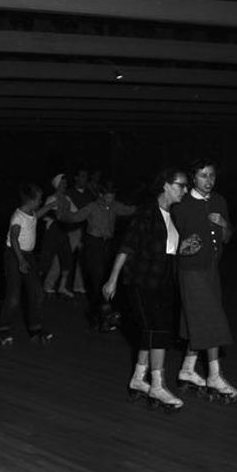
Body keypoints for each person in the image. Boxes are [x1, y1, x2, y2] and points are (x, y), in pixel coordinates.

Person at [102, 168, 189, 410]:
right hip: (142, 282)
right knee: (157, 331)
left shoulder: (171, 216)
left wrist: (185, 249)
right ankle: (158, 386)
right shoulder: (147, 212)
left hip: (162, 284)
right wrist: (112, 279)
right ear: (166, 186)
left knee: (151, 331)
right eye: (181, 185)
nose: (184, 190)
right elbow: (127, 246)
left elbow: (166, 251)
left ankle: (139, 379)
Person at [172, 159, 237, 402]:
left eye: (211, 175)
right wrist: (182, 249)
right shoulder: (181, 205)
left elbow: (227, 237)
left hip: (211, 270)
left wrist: (223, 225)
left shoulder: (220, 201)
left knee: (198, 320)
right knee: (212, 319)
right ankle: (214, 375)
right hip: (190, 271)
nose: (208, 180)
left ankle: (187, 370)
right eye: (203, 176)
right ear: (193, 178)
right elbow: (169, 244)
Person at [60, 183, 136, 331]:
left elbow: (130, 210)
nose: (110, 198)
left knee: (107, 278)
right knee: (97, 279)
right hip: (93, 244)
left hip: (107, 245)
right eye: (107, 195)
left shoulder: (115, 206)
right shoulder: (92, 206)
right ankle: (101, 316)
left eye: (112, 195)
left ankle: (103, 316)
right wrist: (62, 214)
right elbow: (75, 217)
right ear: (101, 195)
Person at [0, 183, 57, 345]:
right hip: (14, 256)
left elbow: (38, 215)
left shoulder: (31, 213)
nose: (41, 201)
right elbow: (14, 238)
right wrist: (21, 260)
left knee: (36, 292)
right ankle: (2, 329)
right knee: (14, 296)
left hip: (27, 256)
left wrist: (50, 206)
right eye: (40, 199)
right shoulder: (17, 217)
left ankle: (36, 328)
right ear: (31, 200)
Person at [40, 174, 76, 299]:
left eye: (66, 183)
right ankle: (37, 286)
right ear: (57, 185)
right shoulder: (51, 198)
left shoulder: (67, 198)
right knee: (46, 259)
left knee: (67, 258)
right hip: (53, 231)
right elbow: (45, 215)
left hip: (63, 231)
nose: (65, 185)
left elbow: (75, 213)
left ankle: (62, 287)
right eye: (62, 183)